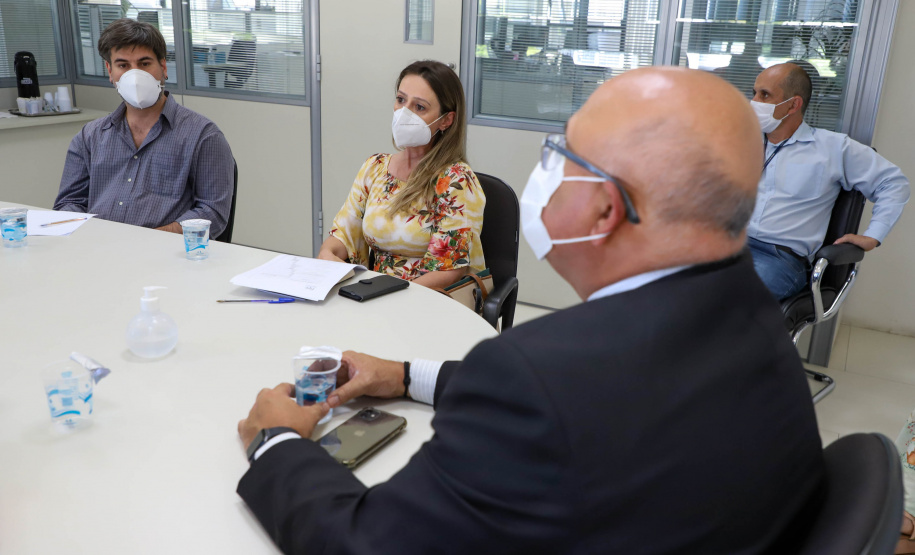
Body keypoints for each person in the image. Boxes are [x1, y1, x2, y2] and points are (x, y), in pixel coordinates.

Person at [237, 67, 825, 553]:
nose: (546, 173)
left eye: (562, 155)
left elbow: (363, 542)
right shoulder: (749, 311)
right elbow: (585, 392)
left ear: (604, 209)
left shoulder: (532, 375)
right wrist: (408, 375)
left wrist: (276, 441)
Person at [53, 18, 234, 238]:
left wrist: (146, 241)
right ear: (110, 71)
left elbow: (212, 213)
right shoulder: (89, 137)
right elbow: (68, 202)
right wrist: (94, 237)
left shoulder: (203, 136)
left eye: (145, 63)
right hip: (97, 248)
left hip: (164, 253)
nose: (135, 77)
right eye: (123, 65)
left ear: (163, 67)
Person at [747, 62, 909, 300]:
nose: (754, 101)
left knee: (725, 297)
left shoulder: (832, 148)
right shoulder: (743, 141)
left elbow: (893, 183)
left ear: (793, 104)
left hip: (779, 260)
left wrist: (874, 235)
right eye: (754, 93)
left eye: (765, 95)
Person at [317, 60, 485, 290]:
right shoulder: (375, 167)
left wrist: (393, 297)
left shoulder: (455, 180)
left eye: (420, 107)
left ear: (446, 120)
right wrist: (327, 254)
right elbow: (344, 233)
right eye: (401, 100)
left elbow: (449, 270)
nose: (404, 113)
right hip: (375, 292)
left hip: (429, 298)